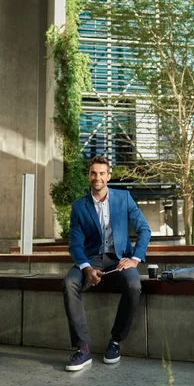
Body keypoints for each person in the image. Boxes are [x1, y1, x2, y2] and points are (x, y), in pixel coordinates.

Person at [62, 156, 151, 371]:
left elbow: (144, 229)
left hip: (119, 259)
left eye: (102, 173)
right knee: (69, 283)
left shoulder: (124, 198)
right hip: (91, 259)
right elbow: (74, 245)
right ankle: (82, 349)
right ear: (88, 176)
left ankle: (115, 341)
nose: (97, 177)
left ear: (108, 176)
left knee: (134, 285)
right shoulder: (79, 207)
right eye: (93, 173)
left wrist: (135, 258)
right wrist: (86, 268)